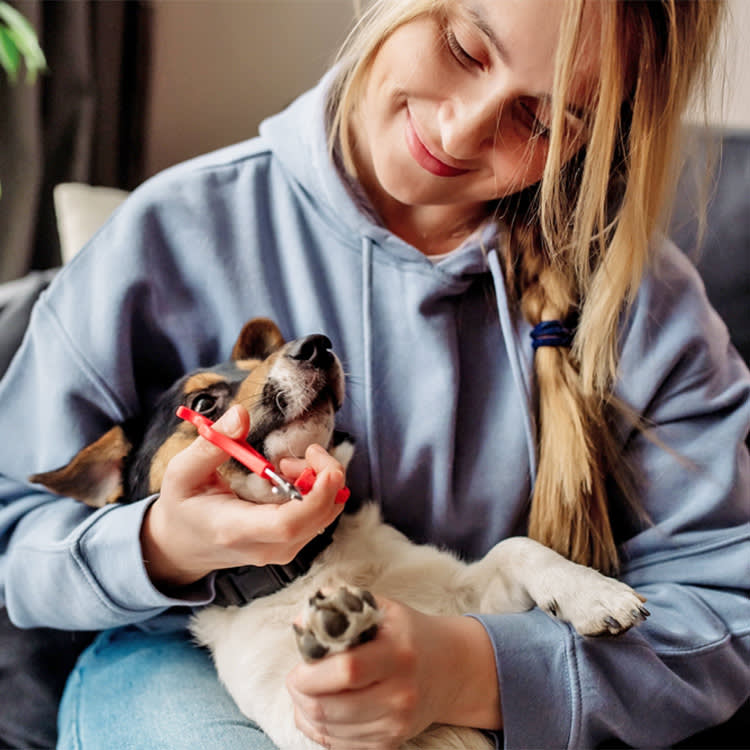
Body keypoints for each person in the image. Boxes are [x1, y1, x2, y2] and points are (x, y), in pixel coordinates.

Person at [0, 0, 748, 747]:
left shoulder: (646, 310)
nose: (459, 130)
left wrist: (467, 671)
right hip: (179, 659)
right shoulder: (172, 228)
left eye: (548, 119)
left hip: (492, 679)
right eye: (463, 47)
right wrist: (163, 544)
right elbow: (15, 534)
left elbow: (726, 619)